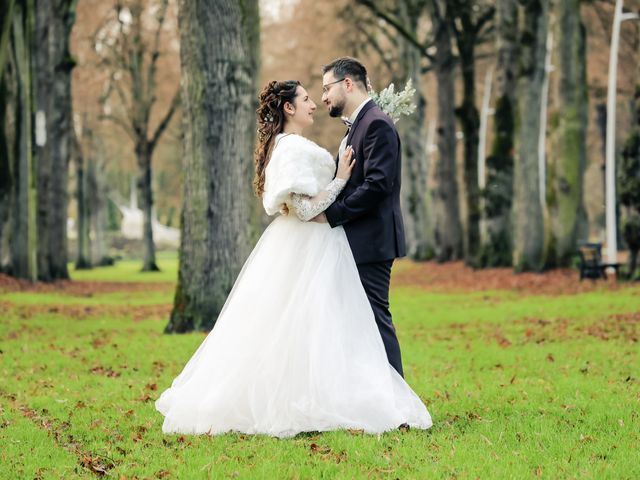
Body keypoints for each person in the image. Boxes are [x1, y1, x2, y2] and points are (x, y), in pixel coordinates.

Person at [155, 80, 431, 438]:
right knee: (303, 320)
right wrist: (341, 180)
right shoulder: (292, 148)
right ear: (288, 108)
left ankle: (325, 391)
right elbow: (302, 209)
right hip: (310, 241)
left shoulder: (292, 145)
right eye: (305, 99)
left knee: (316, 323)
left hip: (319, 242)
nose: (313, 103)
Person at [320, 57, 408, 377]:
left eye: (327, 88)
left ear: (348, 84)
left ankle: (398, 402)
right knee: (359, 320)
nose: (323, 97)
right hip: (359, 239)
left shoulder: (376, 123)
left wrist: (334, 214)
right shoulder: (359, 124)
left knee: (374, 318)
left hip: (372, 240)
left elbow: (377, 185)